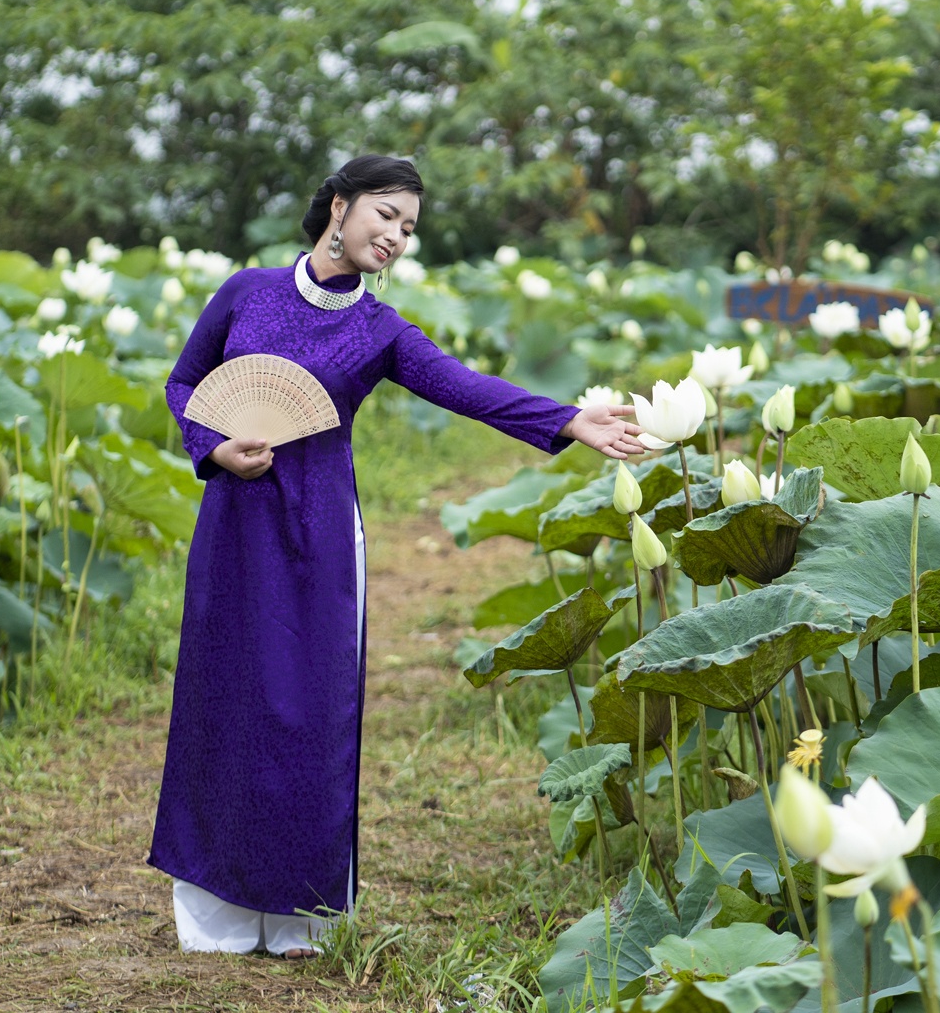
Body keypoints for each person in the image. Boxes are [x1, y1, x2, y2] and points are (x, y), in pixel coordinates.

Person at [148, 154, 643, 957]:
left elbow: (464, 385)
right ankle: (219, 913)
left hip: (316, 533)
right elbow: (183, 384)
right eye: (386, 214)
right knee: (226, 695)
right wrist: (212, 447)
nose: (398, 235)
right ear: (338, 208)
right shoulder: (246, 293)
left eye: (410, 226)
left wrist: (567, 421)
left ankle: (299, 911)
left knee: (310, 708)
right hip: (235, 521)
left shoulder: (377, 329)